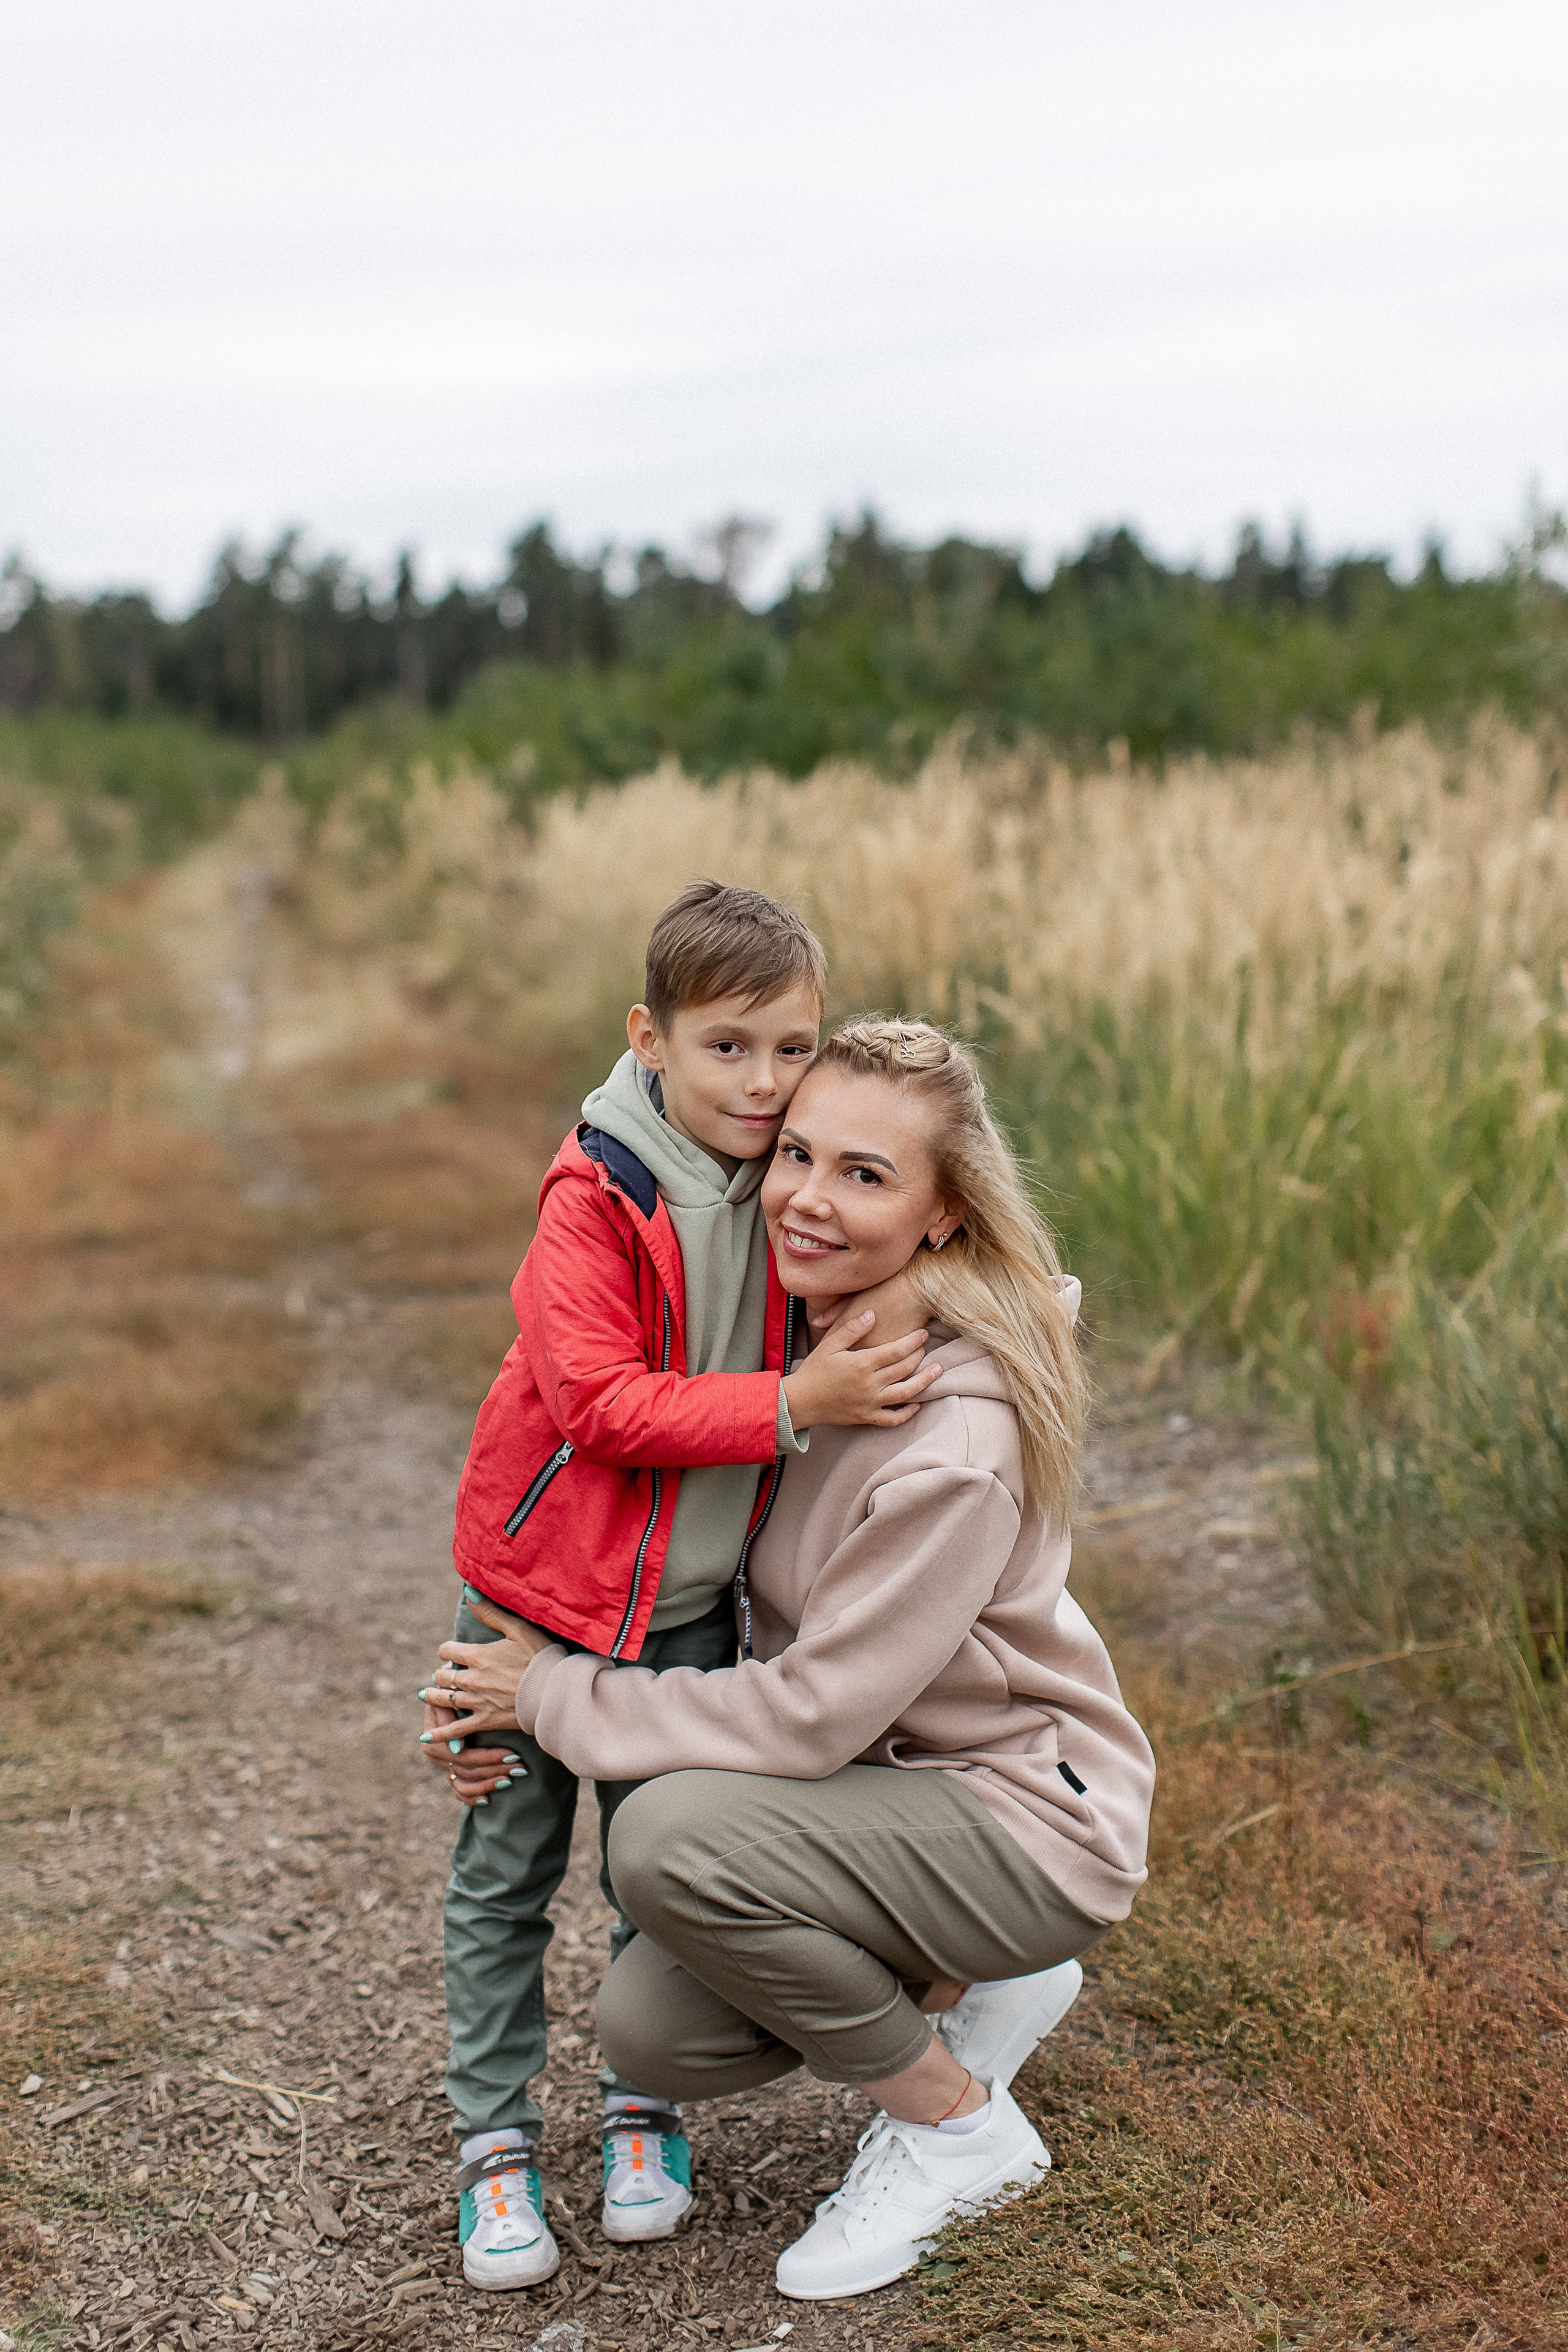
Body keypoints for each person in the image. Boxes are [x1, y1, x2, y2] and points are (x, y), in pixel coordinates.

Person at [431, 1019, 1156, 2303]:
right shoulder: (805, 1350)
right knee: (651, 2025)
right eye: (796, 1156)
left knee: (667, 1847)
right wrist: (506, 1644)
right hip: (885, 1793)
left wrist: (547, 1698)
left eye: (866, 1177)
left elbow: (810, 1715)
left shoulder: (951, 1436)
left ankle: (952, 2129)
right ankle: (964, 1969)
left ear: (943, 1217)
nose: (808, 1202)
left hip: (1022, 1817)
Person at [421, 888, 940, 2293]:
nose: (764, 1085)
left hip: (694, 1610)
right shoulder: (597, 1193)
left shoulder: (788, 1177)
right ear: (647, 1038)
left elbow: (919, 1250)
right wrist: (791, 1404)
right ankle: (491, 2138)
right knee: (505, 1869)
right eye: (728, 1048)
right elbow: (594, 1404)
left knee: (655, 1871)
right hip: (540, 1601)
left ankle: (638, 2104)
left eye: (791, 1049)